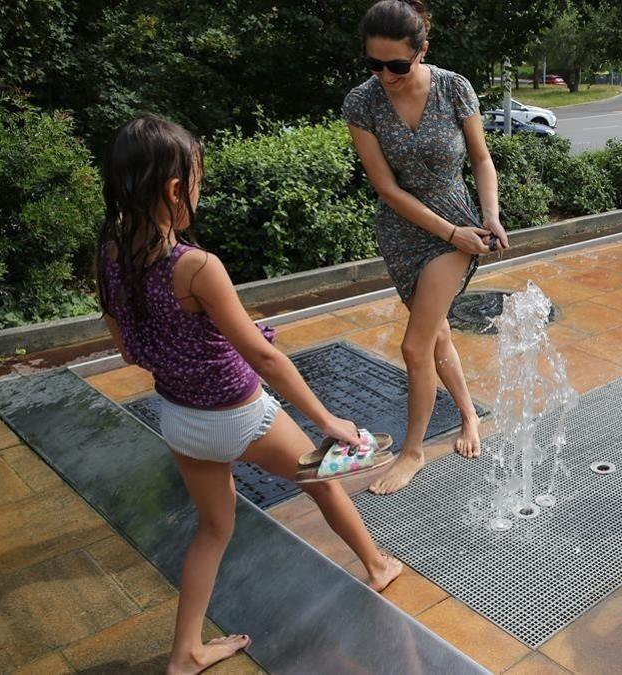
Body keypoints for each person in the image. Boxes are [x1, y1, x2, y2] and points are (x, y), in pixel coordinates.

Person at [96, 117, 404, 675]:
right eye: (196, 180)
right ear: (172, 189)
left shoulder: (109, 258)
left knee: (214, 528)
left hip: (179, 420)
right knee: (319, 478)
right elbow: (264, 358)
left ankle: (186, 653)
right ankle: (378, 566)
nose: (198, 190)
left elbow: (129, 351)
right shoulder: (195, 267)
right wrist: (327, 419)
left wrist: (193, 349)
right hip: (238, 415)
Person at [344, 0, 508, 494]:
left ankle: (413, 452)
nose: (386, 75)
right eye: (375, 64)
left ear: (422, 53)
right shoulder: (361, 103)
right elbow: (388, 190)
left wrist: (488, 216)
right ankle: (467, 416)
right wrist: (447, 232)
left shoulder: (454, 88)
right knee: (435, 336)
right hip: (401, 230)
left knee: (414, 346)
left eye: (397, 65)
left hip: (457, 228)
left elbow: (481, 159)